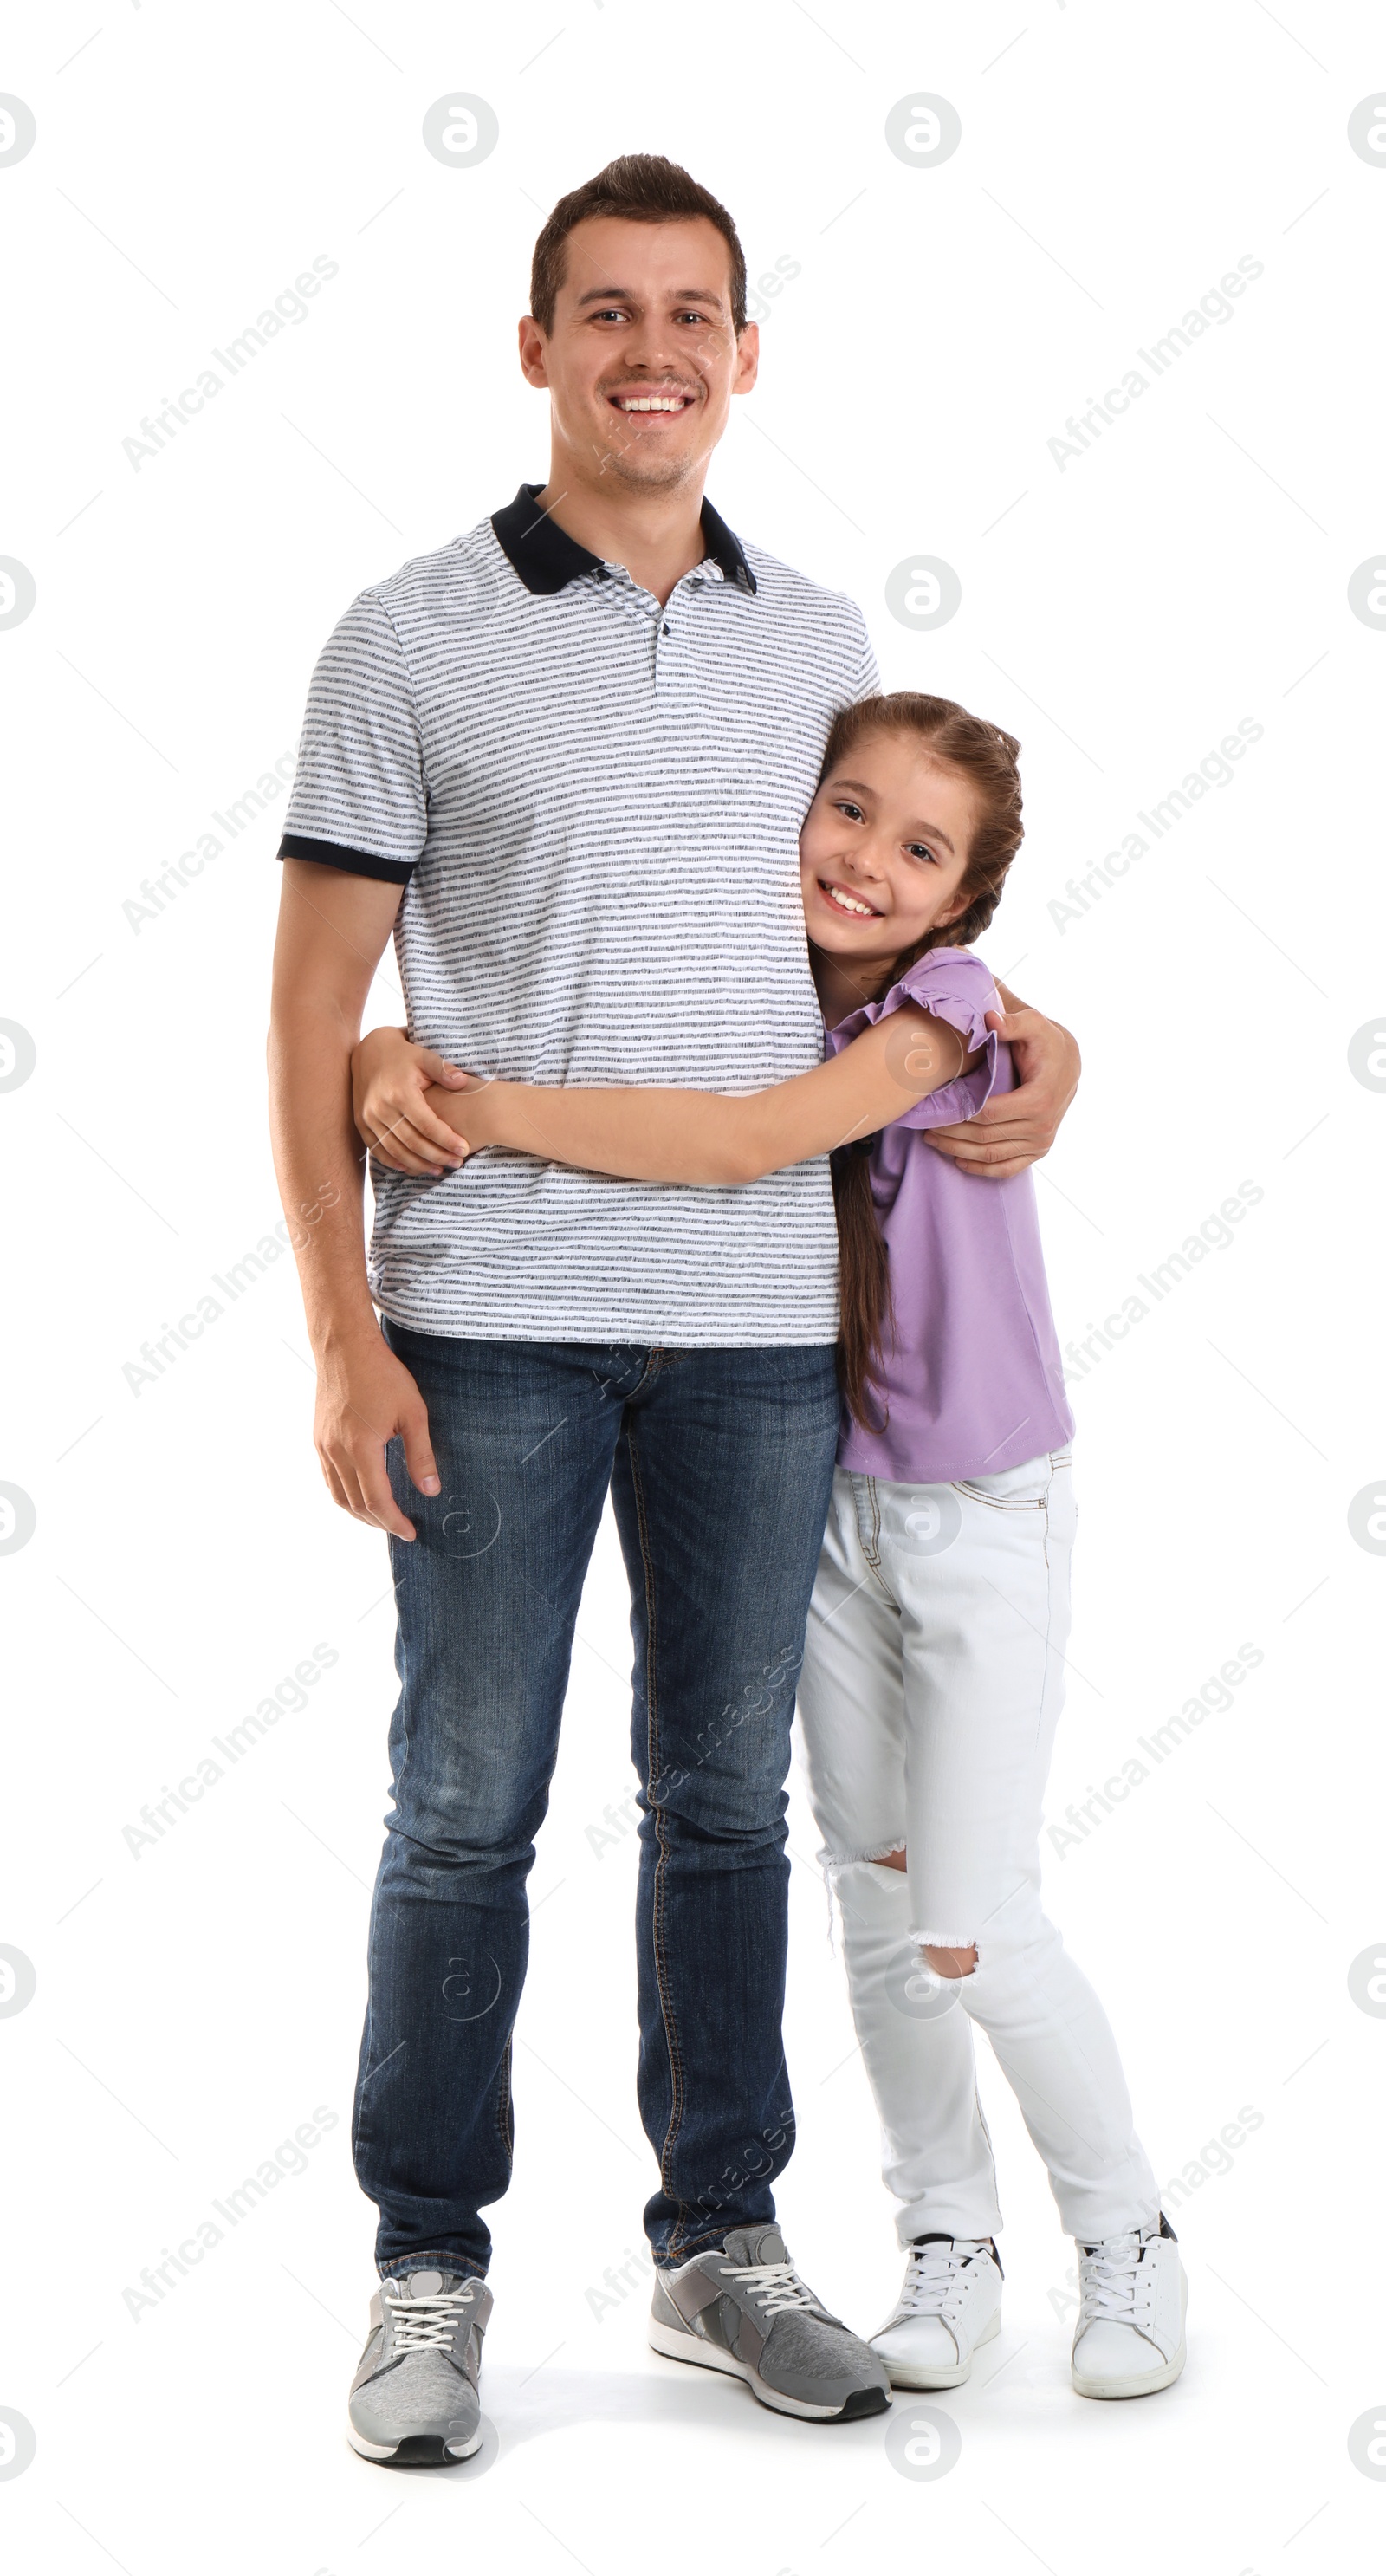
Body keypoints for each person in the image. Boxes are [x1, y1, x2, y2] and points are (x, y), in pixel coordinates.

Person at [269, 152, 1080, 2464]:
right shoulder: (404, 631)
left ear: (744, 354)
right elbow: (312, 1005)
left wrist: (1049, 1038)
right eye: (604, 313)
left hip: (758, 1326)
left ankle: (720, 2240)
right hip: (492, 1315)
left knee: (722, 1799)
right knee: (463, 1800)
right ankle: (429, 2262)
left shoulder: (821, 638)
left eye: (693, 313)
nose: (652, 353)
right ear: (537, 350)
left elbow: (890, 933)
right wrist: (341, 1323)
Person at [355, 688, 1187, 2406]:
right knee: (875, 1910)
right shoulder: (758, 985)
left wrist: (482, 1106)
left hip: (973, 1512)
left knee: (969, 1920)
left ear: (962, 901)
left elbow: (741, 1143)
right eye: (848, 811)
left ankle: (1124, 2231)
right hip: (819, 1493)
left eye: (919, 846)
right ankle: (944, 2238)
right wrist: (377, 1052)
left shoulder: (941, 1001)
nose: (867, 859)